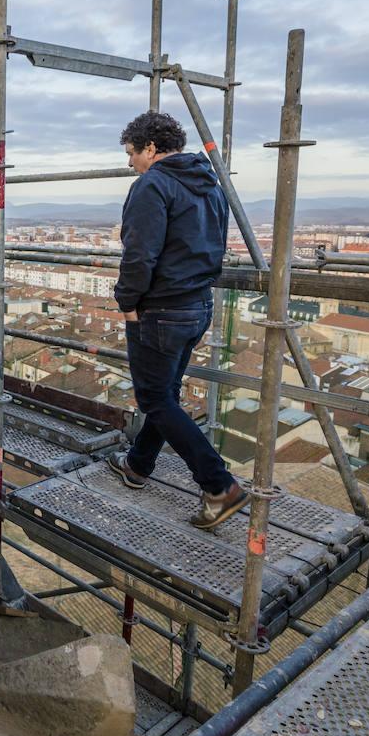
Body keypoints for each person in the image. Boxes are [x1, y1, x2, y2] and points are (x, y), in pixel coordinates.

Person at [106, 111, 246, 529]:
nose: (130, 162)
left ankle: (220, 487)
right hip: (199, 305)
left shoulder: (152, 185)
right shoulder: (210, 186)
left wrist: (126, 302)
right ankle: (138, 466)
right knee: (165, 393)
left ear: (150, 148)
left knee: (155, 399)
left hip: (161, 310)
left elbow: (139, 255)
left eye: (132, 153)